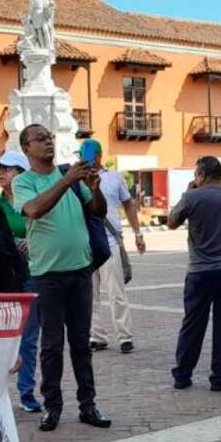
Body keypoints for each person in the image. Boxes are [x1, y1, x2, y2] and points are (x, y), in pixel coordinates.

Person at [13, 123, 112, 432]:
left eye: (50, 137)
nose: (48, 142)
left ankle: (88, 405)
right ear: (26, 148)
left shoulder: (71, 177)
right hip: (47, 276)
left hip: (80, 270)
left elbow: (97, 210)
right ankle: (52, 407)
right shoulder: (24, 181)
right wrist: (66, 180)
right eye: (40, 139)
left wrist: (94, 188)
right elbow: (33, 210)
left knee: (81, 344)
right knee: (52, 346)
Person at [167, 156, 221, 391]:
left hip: (200, 271)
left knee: (192, 324)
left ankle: (182, 375)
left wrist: (188, 193)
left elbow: (171, 222)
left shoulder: (192, 197)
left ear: (202, 175)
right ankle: (219, 377)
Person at [0, 150, 42, 413]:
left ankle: (26, 391)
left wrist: (32, 242)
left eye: (7, 168)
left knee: (29, 338)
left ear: (21, 173)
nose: (1, 172)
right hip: (4, 279)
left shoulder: (35, 201)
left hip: (31, 274)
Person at [89, 141, 145, 354]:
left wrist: (138, 233)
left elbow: (128, 205)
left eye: (90, 154)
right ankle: (97, 335)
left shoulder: (114, 177)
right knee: (89, 296)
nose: (86, 158)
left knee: (116, 292)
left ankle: (125, 336)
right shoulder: (75, 178)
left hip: (109, 241)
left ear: (99, 156)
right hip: (85, 244)